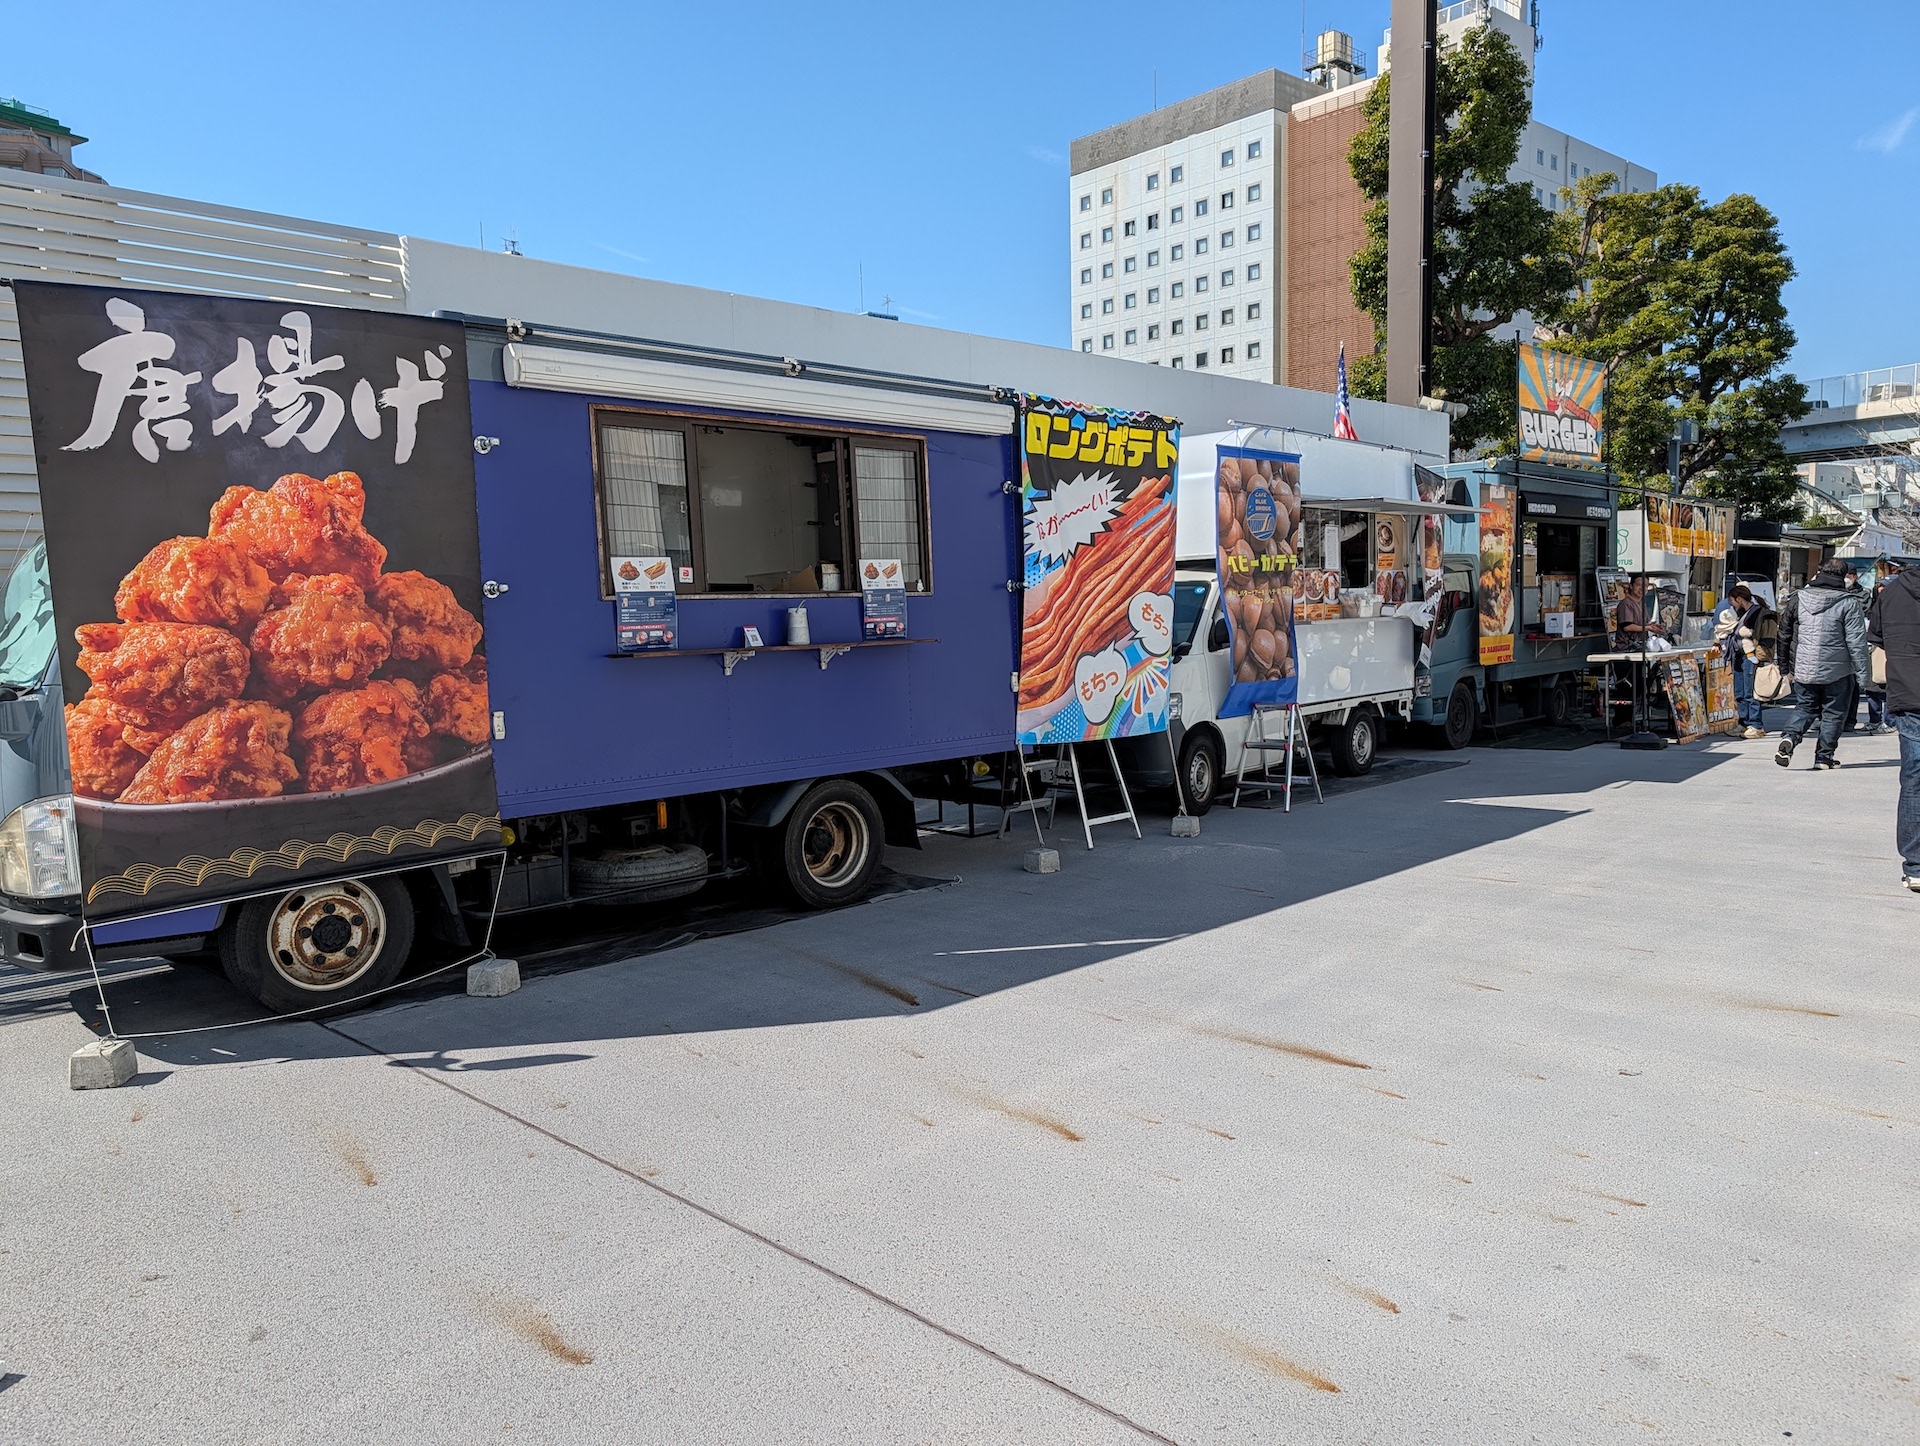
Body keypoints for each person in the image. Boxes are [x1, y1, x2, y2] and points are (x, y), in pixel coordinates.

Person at [1776, 559, 1870, 769]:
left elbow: (1784, 634)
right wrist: (1864, 676)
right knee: (1834, 714)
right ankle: (1823, 757)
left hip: (1804, 666)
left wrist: (1784, 666)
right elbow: (1856, 642)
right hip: (1838, 671)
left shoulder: (1798, 598)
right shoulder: (1849, 602)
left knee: (1805, 707)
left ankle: (1790, 736)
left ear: (1820, 572)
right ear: (1843, 576)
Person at [1870, 558, 1920, 890]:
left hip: (1908, 691)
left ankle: (1916, 866)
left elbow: (1878, 638)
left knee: (1914, 780)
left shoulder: (1889, 593)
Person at [1713, 583, 1767, 737]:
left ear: (1739, 599)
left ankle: (1756, 725)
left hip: (1750, 657)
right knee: (1739, 692)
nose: (1730, 604)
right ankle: (1743, 723)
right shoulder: (1738, 612)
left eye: (1732, 600)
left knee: (1750, 692)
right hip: (1737, 655)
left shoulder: (1756, 613)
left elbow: (1755, 634)